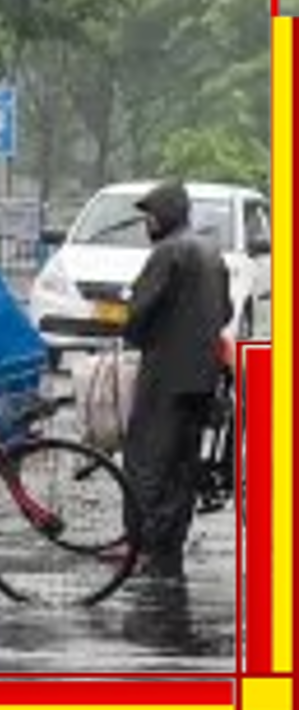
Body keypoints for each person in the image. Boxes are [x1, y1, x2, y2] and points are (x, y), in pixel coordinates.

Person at [122, 180, 233, 582]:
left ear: (165, 215)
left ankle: (142, 544)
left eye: (150, 216)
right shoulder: (210, 251)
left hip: (166, 374)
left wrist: (135, 334)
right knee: (183, 463)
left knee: (147, 460)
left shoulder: (167, 253)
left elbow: (139, 313)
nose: (147, 224)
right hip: (202, 378)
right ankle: (169, 543)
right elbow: (224, 311)